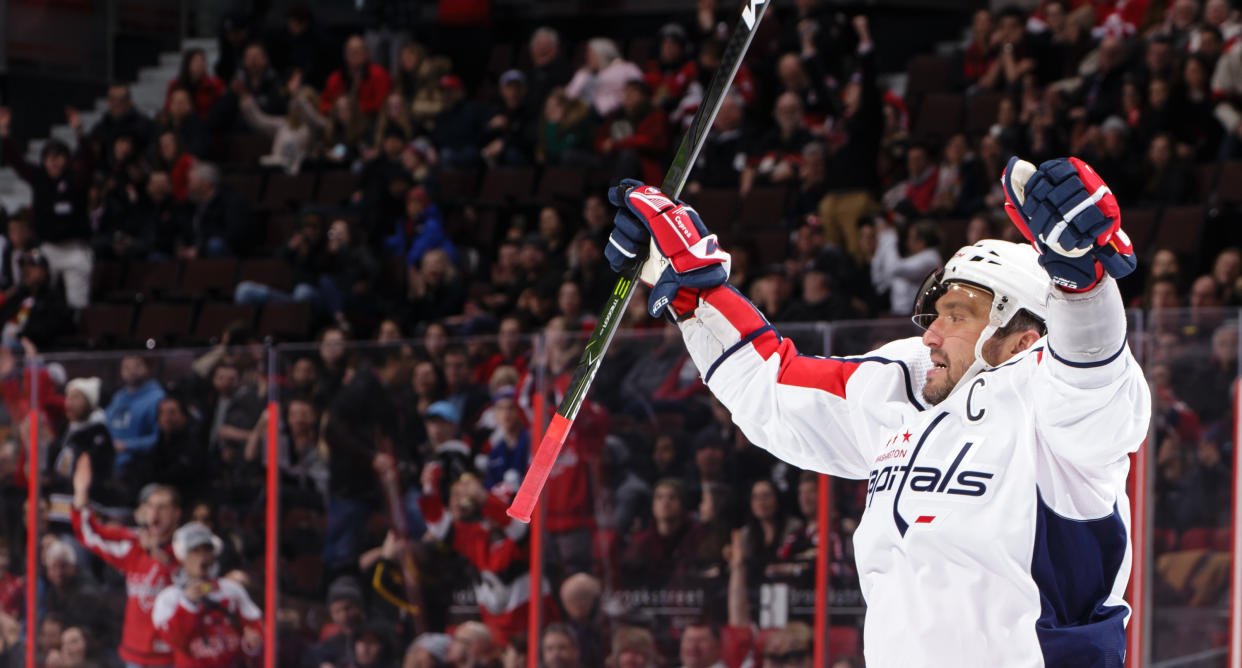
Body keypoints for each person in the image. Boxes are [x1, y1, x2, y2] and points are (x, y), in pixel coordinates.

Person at [602, 152, 1149, 664]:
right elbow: (770, 387)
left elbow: (1090, 376)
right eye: (934, 313)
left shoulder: (1053, 405)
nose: (931, 333)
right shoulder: (901, 384)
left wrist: (1083, 288)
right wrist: (693, 291)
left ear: (1024, 336)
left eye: (957, 315)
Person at [71, 456, 181, 668]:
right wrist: (81, 494)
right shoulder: (134, 544)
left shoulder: (187, 545)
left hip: (172, 656)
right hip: (135, 654)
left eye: (163, 507)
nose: (155, 513)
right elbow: (91, 535)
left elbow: (194, 578)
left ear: (177, 513)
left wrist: (159, 552)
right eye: (150, 507)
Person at [151, 522, 262, 668]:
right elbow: (173, 640)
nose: (202, 556)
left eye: (207, 550)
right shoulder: (170, 597)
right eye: (195, 550)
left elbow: (256, 627)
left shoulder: (231, 589)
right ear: (182, 555)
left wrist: (251, 645)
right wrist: (188, 604)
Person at [107, 356, 167, 477]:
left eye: (137, 365)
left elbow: (160, 438)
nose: (131, 371)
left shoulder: (158, 398)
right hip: (110, 464)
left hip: (139, 467)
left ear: (148, 368)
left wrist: (127, 445)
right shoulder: (118, 397)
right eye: (126, 367)